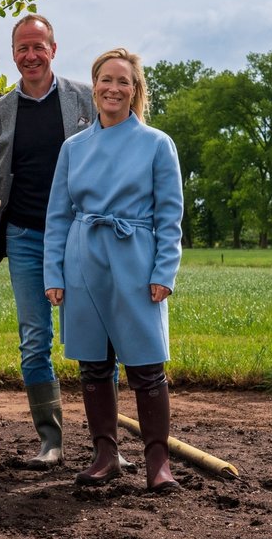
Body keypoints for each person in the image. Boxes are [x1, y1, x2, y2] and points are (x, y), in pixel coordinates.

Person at [43, 48, 184, 493]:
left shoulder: (157, 144)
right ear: (94, 86)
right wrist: (54, 274)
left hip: (136, 260)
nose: (113, 88)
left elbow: (170, 215)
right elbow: (58, 216)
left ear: (135, 89)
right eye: (106, 79)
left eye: (123, 81)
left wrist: (164, 271)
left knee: (146, 364)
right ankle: (105, 456)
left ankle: (158, 462)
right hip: (83, 259)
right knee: (93, 364)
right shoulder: (73, 148)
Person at [0, 13, 94, 469]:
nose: (31, 55)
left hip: (80, 236)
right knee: (35, 339)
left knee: (95, 336)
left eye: (39, 46)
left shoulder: (85, 99)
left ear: (53, 50)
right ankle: (50, 441)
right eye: (23, 48)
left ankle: (105, 443)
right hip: (24, 234)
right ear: (13, 54)